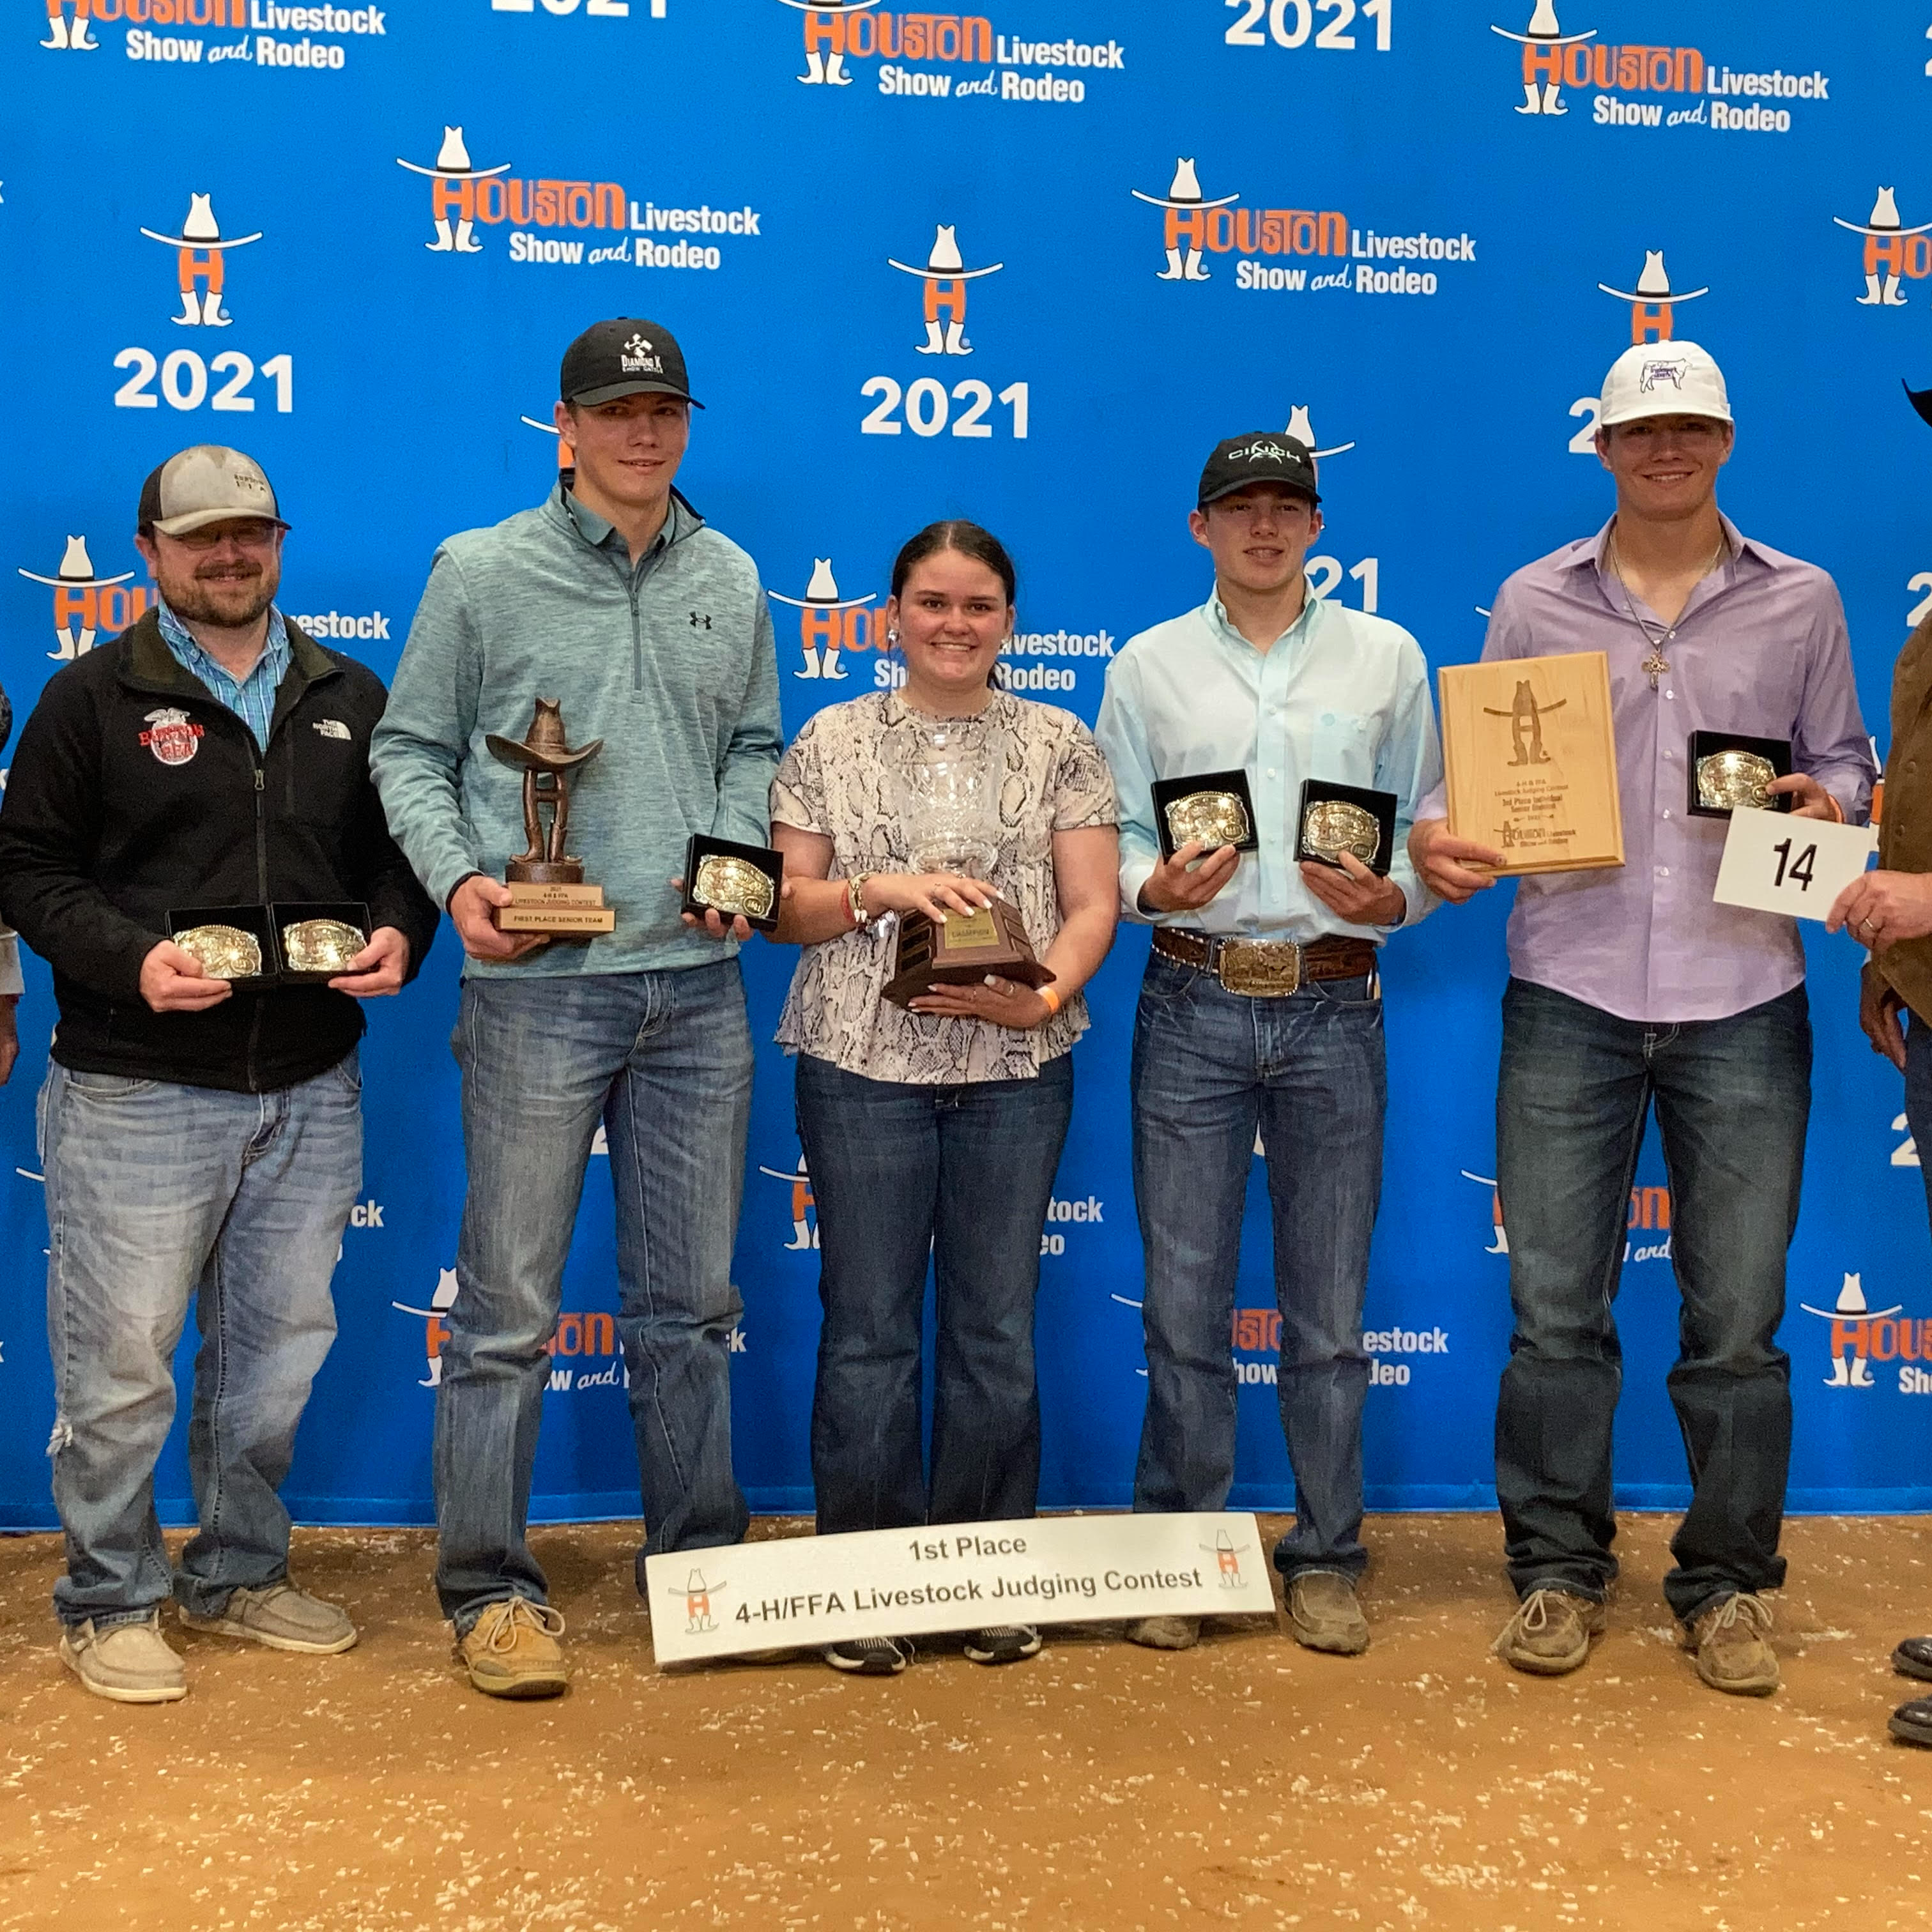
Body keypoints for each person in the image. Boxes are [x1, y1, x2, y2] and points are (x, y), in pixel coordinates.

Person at [1411, 340, 1875, 1697]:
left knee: (1738, 1323)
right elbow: (1466, 784)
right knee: (1556, 1310)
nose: (1666, 449)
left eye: (1690, 429)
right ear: (1603, 447)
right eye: (1641, 431)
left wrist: (1831, 805)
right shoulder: (1532, 599)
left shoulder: (1803, 598)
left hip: (1746, 993)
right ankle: (1557, 1570)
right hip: (1573, 985)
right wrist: (1439, 837)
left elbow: (1844, 763)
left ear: (1724, 441)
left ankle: (1728, 1585)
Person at [371, 317, 783, 1699]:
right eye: (615, 411)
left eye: (665, 410)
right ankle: (489, 1588)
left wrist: (733, 856)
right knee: (505, 1310)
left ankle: (701, 1577)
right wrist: (458, 880)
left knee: (692, 1308)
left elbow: (754, 743)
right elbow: (411, 750)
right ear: (565, 426)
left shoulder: (731, 572)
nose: (643, 432)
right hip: (537, 993)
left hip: (698, 989)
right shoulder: (480, 570)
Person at [0, 444, 439, 1705]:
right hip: (136, 1085)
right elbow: (27, 867)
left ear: (278, 542)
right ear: (151, 553)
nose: (229, 555)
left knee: (276, 1358)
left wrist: (400, 929)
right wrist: (130, 960)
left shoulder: (348, 690)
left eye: (250, 533)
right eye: (201, 538)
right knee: (122, 1366)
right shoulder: (90, 696)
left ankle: (238, 1571)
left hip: (309, 1082)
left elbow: (394, 857)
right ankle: (109, 1595)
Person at [1095, 432, 1442, 1656]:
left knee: (1328, 1316)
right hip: (1191, 994)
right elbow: (1115, 834)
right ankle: (1182, 1552)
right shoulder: (1146, 665)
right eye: (1238, 507)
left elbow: (1429, 828)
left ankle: (1327, 1555)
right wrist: (1152, 889)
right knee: (1182, 1304)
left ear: (1317, 526)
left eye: (1286, 507)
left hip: (1334, 996)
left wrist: (1397, 897)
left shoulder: (1388, 657)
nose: (1263, 527)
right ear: (1200, 526)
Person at [768, 520, 1118, 1675]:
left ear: (1009, 620)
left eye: (978, 606)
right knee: (869, 1330)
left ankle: (984, 1575)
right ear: (891, 616)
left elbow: (1092, 902)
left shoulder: (1061, 740)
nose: (954, 625)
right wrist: (880, 890)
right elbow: (786, 909)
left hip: (1016, 1072)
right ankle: (863, 1582)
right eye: (932, 603)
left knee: (994, 1328)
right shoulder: (830, 737)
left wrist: (1047, 995)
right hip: (859, 1068)